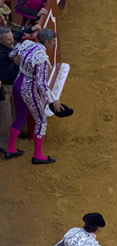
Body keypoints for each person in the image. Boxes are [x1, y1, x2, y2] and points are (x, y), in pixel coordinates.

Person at [5, 28, 64, 163]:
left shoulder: (27, 44)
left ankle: (10, 149)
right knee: (41, 121)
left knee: (20, 116)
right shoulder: (41, 58)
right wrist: (53, 100)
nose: (55, 43)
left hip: (17, 84)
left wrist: (19, 60)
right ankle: (37, 156)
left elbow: (12, 54)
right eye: (53, 41)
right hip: (28, 90)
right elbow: (40, 83)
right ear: (47, 42)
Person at [0, 25, 38, 152]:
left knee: (15, 111)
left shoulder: (9, 41)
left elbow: (17, 35)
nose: (12, 42)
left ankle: (14, 132)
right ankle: (3, 146)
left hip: (13, 85)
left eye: (11, 38)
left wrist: (31, 28)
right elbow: (4, 75)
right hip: (4, 87)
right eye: (8, 40)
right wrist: (15, 63)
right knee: (6, 116)